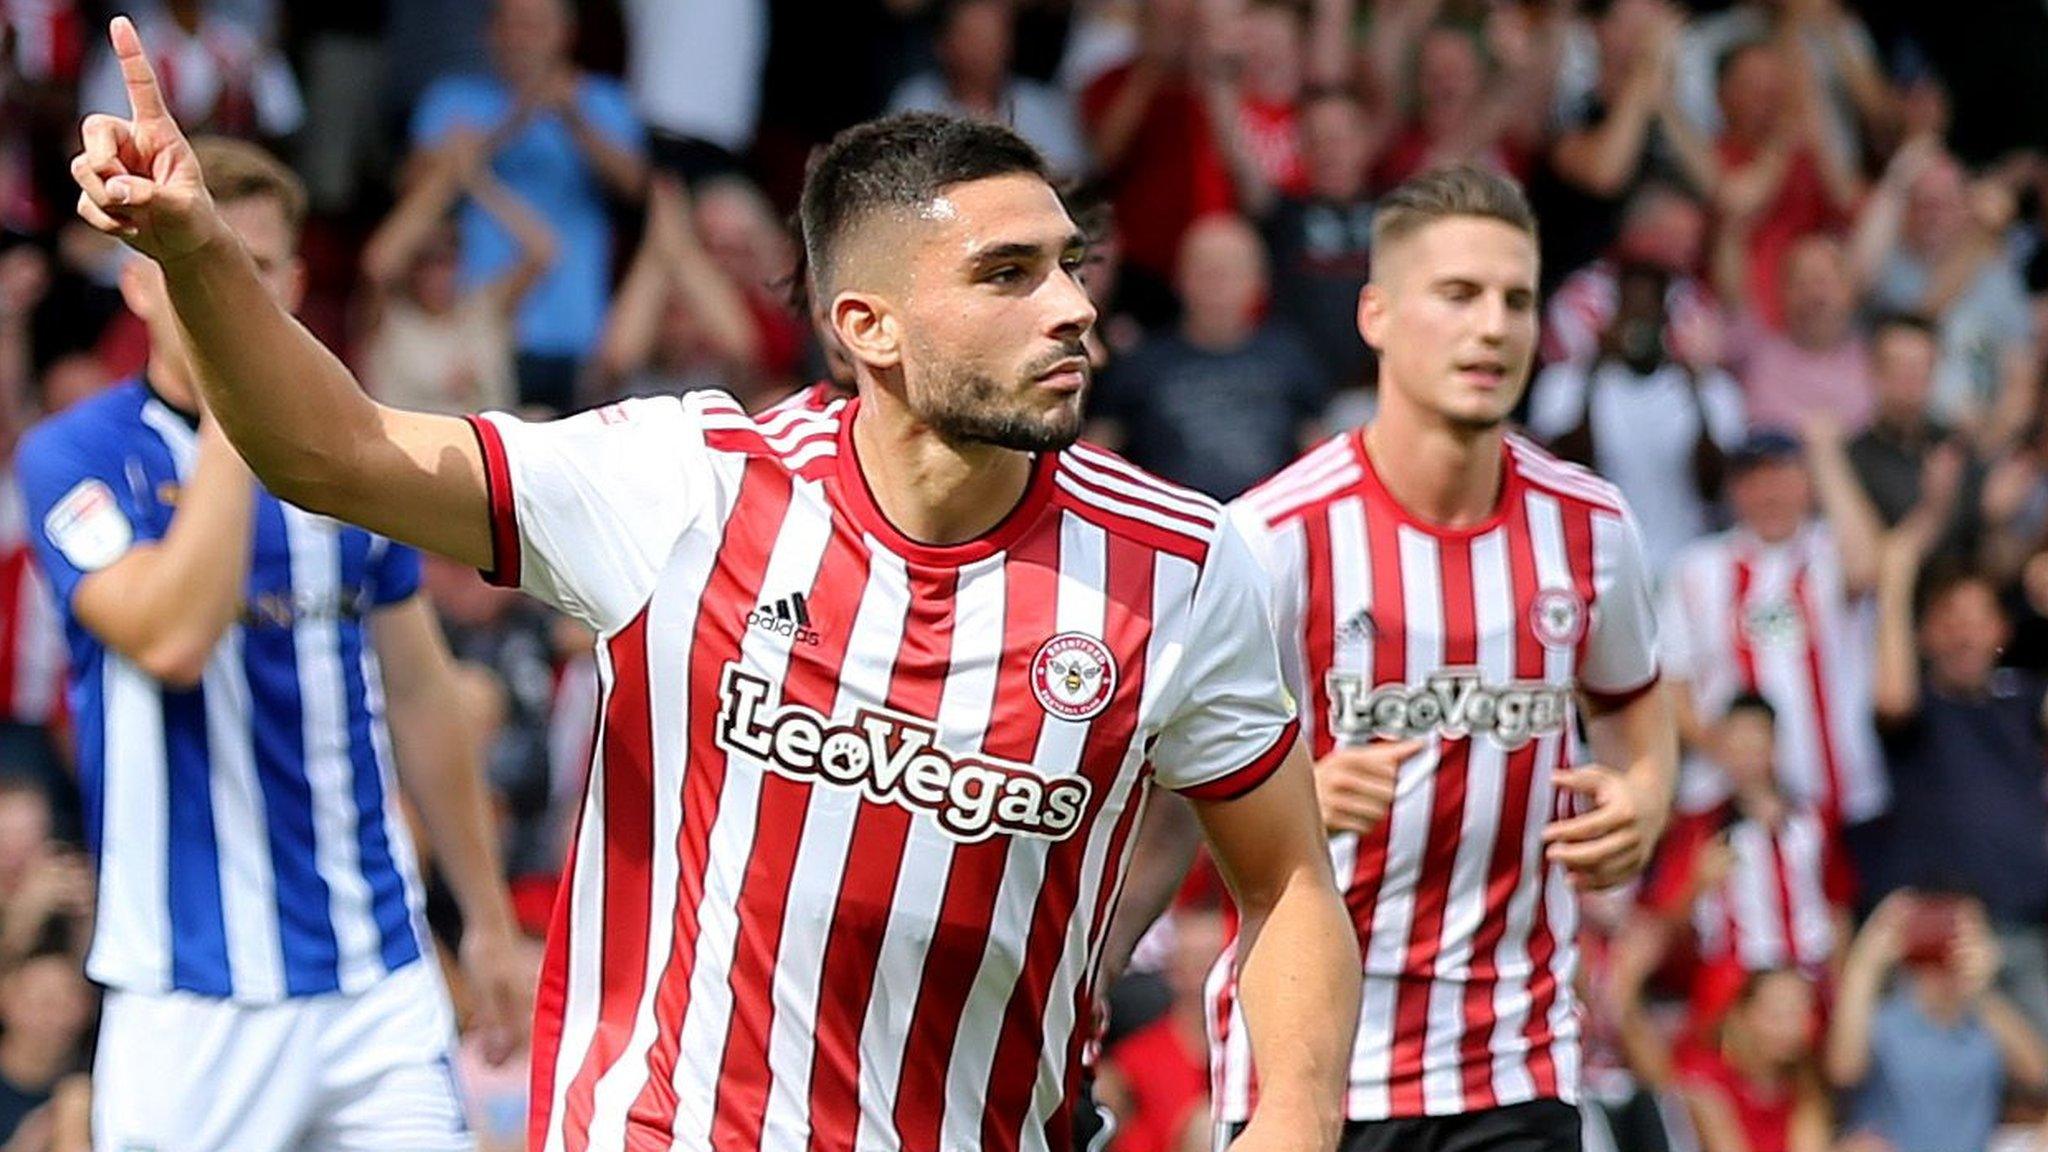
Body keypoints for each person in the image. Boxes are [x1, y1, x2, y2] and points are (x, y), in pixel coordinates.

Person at [70, 20, 1360, 1152]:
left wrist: (1291, 1117)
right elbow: (335, 449)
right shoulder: (683, 485)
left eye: (1070, 263)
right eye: (1006, 274)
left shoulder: (1186, 567)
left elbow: (1288, 878)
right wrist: (198, 255)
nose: (1070, 306)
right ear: (866, 327)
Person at [22, 133, 530, 1150]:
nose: (224, 288)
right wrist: (238, 402)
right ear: (137, 284)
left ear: (294, 282)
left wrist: (485, 918)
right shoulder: (73, 453)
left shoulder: (352, 457)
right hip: (187, 994)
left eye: (249, 269)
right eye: (194, 260)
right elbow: (169, 640)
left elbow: (423, 695)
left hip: (375, 976)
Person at [1224, 164, 1678, 1151]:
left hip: (1514, 1054)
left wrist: (1644, 799)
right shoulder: (1270, 536)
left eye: (1516, 299)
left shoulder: (1591, 527)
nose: (1493, 326)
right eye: (1459, 294)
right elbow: (1171, 792)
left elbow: (1638, 717)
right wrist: (1288, 794)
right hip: (1306, 1067)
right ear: (1375, 314)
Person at [409, 0, 648, 411]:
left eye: (535, 26)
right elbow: (415, 188)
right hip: (477, 330)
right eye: (512, 25)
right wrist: (517, 115)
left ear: (566, 35)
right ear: (490, 33)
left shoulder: (603, 100)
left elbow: (639, 189)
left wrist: (573, 116)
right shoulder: (452, 98)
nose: (522, 38)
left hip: (577, 334)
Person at [1658, 424, 1888, 832]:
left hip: (1839, 798)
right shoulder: (1696, 569)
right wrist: (1735, 760)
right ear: (1734, 492)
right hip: (1731, 807)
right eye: (1754, 482)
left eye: (1783, 477)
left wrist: (1827, 457)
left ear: (1807, 483)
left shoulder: (1830, 553)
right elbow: (1673, 687)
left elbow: (1870, 567)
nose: (1770, 494)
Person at [1826, 891, 2048, 1152]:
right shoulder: (1885, 1018)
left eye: (1964, 932)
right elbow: (1843, 1070)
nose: (1951, 941)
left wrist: (1980, 989)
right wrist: (1867, 960)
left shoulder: (1986, 1019)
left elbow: (2038, 1073)